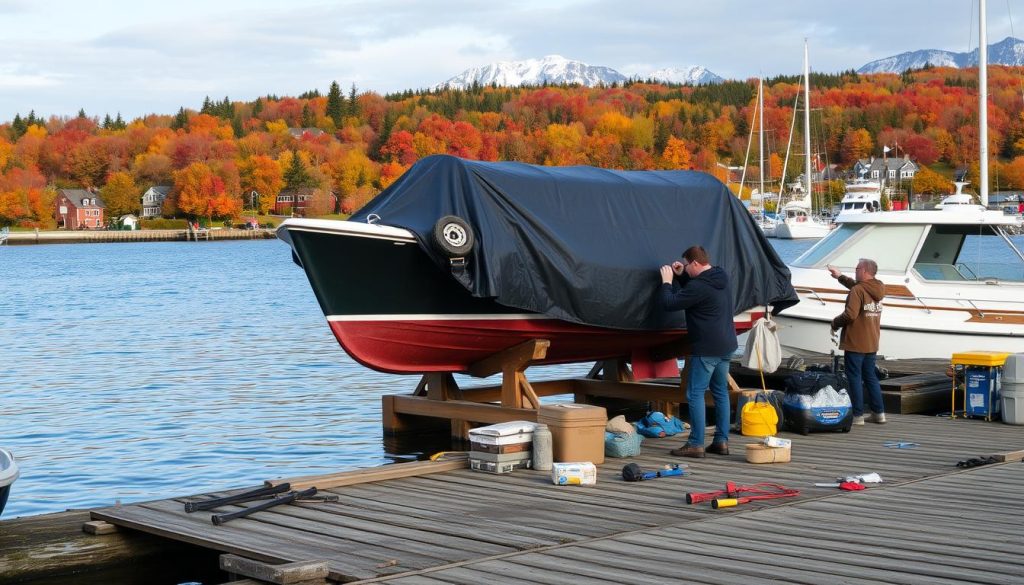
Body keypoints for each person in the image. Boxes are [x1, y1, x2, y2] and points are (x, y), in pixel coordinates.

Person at [658, 246, 737, 458]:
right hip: (726, 345)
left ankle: (695, 443)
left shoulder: (700, 286)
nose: (685, 268)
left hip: (707, 348)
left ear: (694, 263)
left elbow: (670, 303)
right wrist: (682, 276)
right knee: (720, 392)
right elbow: (695, 294)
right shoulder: (721, 276)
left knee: (695, 393)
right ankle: (721, 442)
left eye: (687, 266)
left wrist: (667, 282)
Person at [828, 259, 886, 425]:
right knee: (870, 377)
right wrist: (839, 276)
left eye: (857, 268)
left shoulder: (858, 290)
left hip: (855, 341)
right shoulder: (878, 287)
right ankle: (879, 413)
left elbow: (850, 315)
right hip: (872, 341)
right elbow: (857, 287)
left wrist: (834, 323)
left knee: (854, 377)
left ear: (865, 271)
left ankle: (858, 415)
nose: (855, 270)